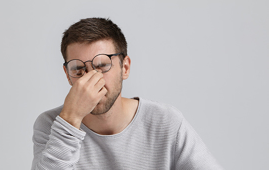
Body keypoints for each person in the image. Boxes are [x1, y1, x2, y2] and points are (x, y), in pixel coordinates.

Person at [31, 17, 223, 170]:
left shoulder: (165, 121)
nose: (91, 79)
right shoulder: (50, 125)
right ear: (67, 75)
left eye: (102, 65)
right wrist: (70, 119)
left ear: (125, 67)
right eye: (79, 70)